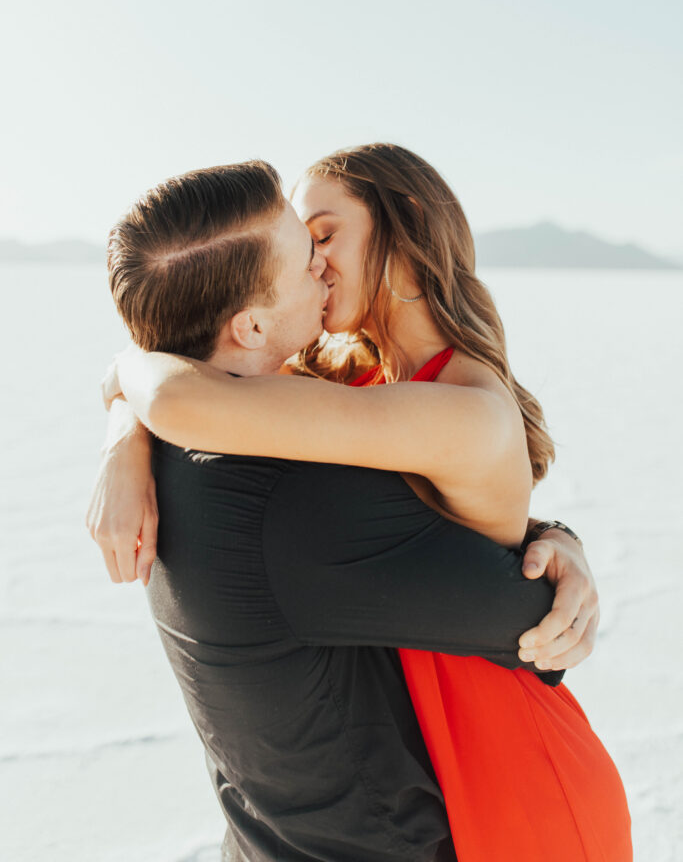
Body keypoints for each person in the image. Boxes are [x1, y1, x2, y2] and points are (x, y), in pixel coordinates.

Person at [89, 157, 627, 861]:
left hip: (517, 765)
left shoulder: (461, 411)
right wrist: (124, 431)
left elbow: (177, 392)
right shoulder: (350, 383)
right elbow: (189, 370)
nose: (313, 261)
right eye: (302, 242)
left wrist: (128, 407)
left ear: (401, 225)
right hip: (449, 769)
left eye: (323, 234)